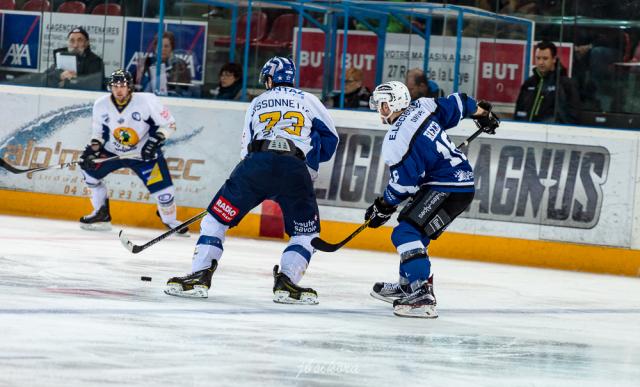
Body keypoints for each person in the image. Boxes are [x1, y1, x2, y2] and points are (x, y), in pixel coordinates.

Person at [164, 57, 339, 303]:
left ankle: (199, 276)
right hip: (295, 169)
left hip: (256, 165)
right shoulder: (309, 100)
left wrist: (249, 171)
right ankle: (287, 282)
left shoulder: (257, 102)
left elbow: (246, 145)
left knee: (216, 220)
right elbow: (331, 140)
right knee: (305, 232)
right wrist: (308, 165)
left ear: (269, 79)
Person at [366, 81, 499, 318]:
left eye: (382, 104)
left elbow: (403, 185)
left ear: (393, 103)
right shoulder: (423, 106)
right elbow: (460, 102)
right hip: (461, 184)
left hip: (446, 186)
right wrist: (483, 113)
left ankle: (421, 294)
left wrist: (383, 206)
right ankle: (408, 285)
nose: (379, 109)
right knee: (417, 233)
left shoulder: (395, 139)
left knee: (405, 233)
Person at [78, 69, 188, 234]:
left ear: (130, 87)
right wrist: (93, 151)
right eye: (115, 86)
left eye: (122, 85)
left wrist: (152, 144)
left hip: (143, 154)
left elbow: (169, 124)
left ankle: (170, 220)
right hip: (113, 152)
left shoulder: (147, 101)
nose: (119, 90)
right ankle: (101, 214)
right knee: (88, 171)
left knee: (165, 195)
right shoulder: (101, 104)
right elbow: (98, 134)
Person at [514, 40, 580, 123]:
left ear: (554, 59)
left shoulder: (565, 84)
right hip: (527, 132)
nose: (541, 62)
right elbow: (518, 112)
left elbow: (572, 117)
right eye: (538, 58)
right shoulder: (529, 83)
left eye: (545, 58)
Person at [135, 31, 191, 96]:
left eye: (166, 46)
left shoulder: (180, 65)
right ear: (155, 47)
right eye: (160, 46)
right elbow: (135, 86)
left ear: (171, 48)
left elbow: (184, 91)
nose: (163, 49)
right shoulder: (146, 63)